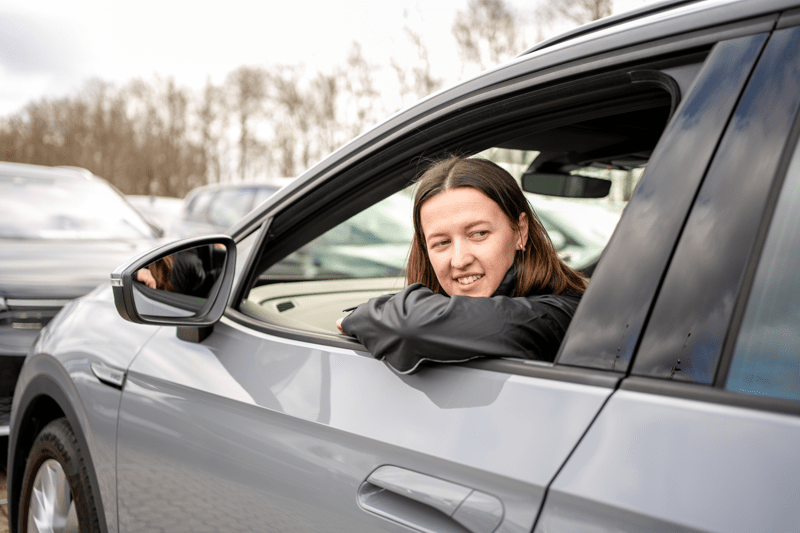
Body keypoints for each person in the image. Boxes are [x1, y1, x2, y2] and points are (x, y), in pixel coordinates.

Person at [336, 156, 588, 374]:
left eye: (479, 234)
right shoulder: (437, 307)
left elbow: (411, 327)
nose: (460, 260)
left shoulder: (565, 313)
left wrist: (365, 316)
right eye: (442, 242)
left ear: (520, 232)